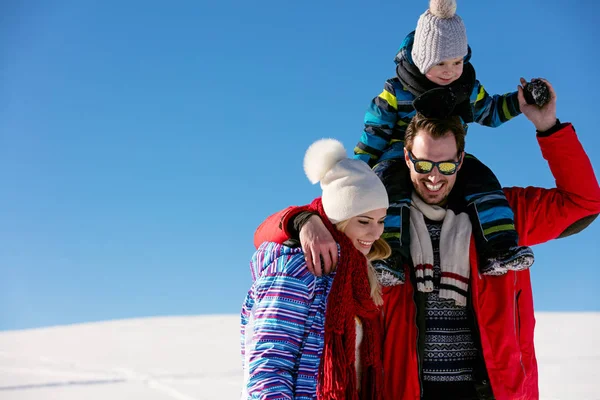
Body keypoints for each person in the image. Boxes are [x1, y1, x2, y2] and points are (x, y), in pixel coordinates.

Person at [252, 80, 600, 399]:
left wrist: (548, 127)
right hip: (405, 390)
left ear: (461, 161)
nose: (434, 177)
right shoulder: (376, 218)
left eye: (446, 166)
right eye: (423, 165)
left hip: (493, 391)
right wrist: (301, 220)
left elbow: (584, 202)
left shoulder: (501, 218)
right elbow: (265, 236)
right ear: (407, 157)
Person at [354, 0, 535, 284]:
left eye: (457, 62)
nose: (450, 70)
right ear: (422, 59)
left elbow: (490, 112)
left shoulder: (465, 89)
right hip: (398, 155)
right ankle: (388, 255)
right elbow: (374, 132)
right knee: (387, 185)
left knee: (482, 179)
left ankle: (498, 248)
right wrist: (358, 172)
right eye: (440, 63)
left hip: (451, 157)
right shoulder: (397, 90)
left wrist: (520, 102)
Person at [241, 138, 392, 399]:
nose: (375, 232)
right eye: (364, 220)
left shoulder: (359, 276)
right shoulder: (297, 269)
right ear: (339, 219)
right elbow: (270, 363)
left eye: (380, 220)